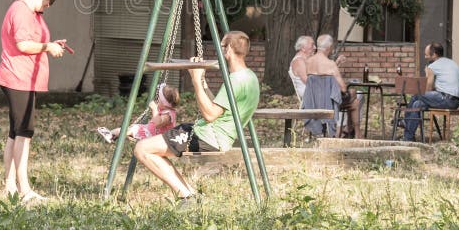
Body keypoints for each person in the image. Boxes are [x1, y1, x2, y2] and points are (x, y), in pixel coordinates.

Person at [133, 30, 259, 201]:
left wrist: (195, 81)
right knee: (154, 145)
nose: (219, 50)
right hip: (210, 133)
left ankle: (185, 196)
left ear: (228, 49)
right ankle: (190, 193)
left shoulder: (235, 80)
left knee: (142, 148)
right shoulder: (249, 76)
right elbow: (220, 106)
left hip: (209, 137)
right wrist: (203, 83)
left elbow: (210, 114)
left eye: (221, 46)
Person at [0, 0, 67, 203]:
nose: (47, 5)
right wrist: (48, 47)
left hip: (21, 77)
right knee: (24, 133)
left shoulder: (27, 11)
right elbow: (23, 44)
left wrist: (51, 45)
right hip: (19, 77)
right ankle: (24, 189)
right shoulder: (22, 11)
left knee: (15, 133)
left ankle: (10, 186)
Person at [402, 42, 459, 142]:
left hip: (446, 99)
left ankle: (405, 121)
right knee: (418, 104)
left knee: (417, 95)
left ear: (434, 54)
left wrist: (427, 73)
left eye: (426, 54)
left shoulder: (433, 66)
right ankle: (408, 137)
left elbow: (428, 88)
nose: (425, 56)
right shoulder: (450, 62)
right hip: (456, 101)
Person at [304, 34, 362, 138]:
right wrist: (336, 66)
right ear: (329, 48)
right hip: (329, 103)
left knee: (353, 104)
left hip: (313, 102)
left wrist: (336, 64)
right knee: (355, 100)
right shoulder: (330, 64)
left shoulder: (308, 61)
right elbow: (343, 89)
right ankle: (356, 134)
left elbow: (317, 81)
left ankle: (344, 131)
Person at [97, 84, 180, 143]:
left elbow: (158, 123)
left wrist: (154, 109)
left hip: (153, 137)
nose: (156, 100)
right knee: (131, 129)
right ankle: (112, 135)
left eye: (158, 99)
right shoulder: (164, 110)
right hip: (148, 130)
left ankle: (112, 135)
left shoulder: (168, 115)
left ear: (163, 102)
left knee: (130, 130)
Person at [289, 35, 316, 103]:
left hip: (312, 92)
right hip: (308, 94)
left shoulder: (305, 60)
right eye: (312, 45)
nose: (315, 47)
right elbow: (307, 81)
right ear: (303, 48)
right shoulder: (299, 61)